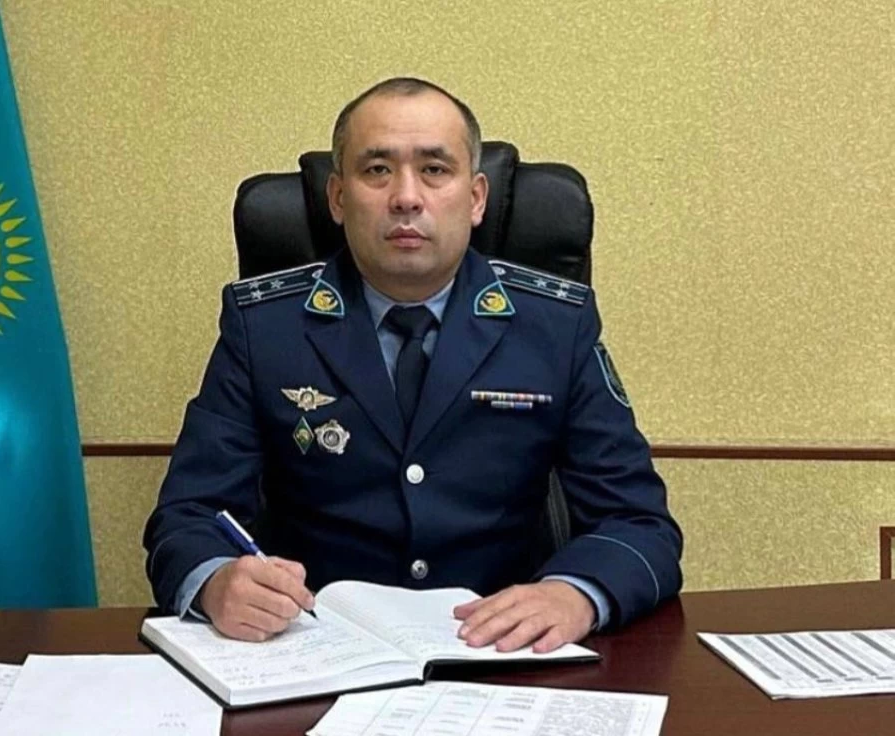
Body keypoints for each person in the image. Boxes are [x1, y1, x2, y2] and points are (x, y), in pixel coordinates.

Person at [143, 77, 682, 653]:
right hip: (315, 649)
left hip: (497, 648)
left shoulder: (554, 325)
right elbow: (189, 515)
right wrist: (216, 582)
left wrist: (574, 594)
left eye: (434, 169)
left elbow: (638, 522)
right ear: (337, 198)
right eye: (377, 170)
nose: (406, 196)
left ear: (476, 198)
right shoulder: (264, 327)